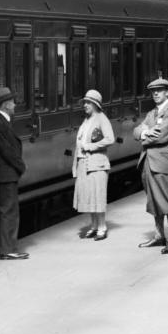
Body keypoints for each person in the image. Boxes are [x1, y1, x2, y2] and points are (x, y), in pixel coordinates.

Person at [133, 78, 168, 255]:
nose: (155, 93)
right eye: (153, 91)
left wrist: (145, 133)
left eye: (160, 90)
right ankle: (159, 235)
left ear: (167, 92)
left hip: (161, 163)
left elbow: (161, 137)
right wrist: (145, 131)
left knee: (167, 201)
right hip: (147, 161)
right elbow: (136, 131)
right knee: (153, 201)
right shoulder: (152, 113)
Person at [0, 86, 28, 260]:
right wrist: (21, 166)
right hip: (5, 173)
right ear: (5, 105)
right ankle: (8, 249)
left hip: (1, 174)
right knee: (9, 211)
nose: (15, 105)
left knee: (1, 210)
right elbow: (7, 150)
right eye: (12, 102)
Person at [72, 89, 115, 240]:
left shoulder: (101, 118)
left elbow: (110, 139)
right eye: (84, 102)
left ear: (95, 104)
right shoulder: (86, 120)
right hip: (84, 164)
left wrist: (90, 146)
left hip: (97, 164)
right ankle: (94, 226)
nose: (85, 105)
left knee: (98, 196)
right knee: (89, 196)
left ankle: (102, 228)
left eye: (88, 103)